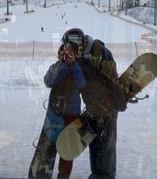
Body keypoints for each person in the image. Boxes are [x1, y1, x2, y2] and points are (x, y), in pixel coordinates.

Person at [61, 28, 127, 179]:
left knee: (106, 144)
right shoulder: (78, 56)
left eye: (73, 43)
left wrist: (111, 102)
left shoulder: (100, 51)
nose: (70, 47)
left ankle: (105, 175)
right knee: (94, 141)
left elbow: (112, 79)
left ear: (82, 41)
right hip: (92, 107)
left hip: (107, 106)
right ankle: (97, 173)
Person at [44, 42, 86, 179]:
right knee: (49, 146)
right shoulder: (56, 66)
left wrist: (73, 66)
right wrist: (63, 66)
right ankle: (44, 172)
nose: (66, 55)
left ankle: (63, 176)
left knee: (67, 148)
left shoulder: (78, 68)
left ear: (75, 54)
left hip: (71, 114)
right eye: (63, 52)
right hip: (55, 113)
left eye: (69, 52)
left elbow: (81, 84)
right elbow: (49, 82)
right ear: (59, 53)